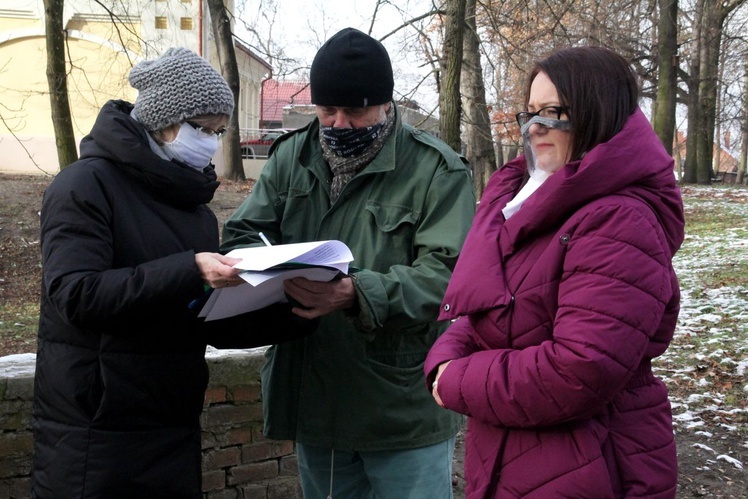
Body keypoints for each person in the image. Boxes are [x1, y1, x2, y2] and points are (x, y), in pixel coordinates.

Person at [31, 47, 315, 498]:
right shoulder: (84, 185)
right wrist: (189, 269)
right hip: (96, 428)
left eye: (220, 133)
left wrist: (296, 309)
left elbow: (202, 316)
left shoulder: (192, 206)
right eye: (203, 130)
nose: (211, 143)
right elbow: (75, 295)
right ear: (164, 121)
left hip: (172, 421)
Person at [221, 28, 476, 499]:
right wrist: (261, 267)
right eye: (326, 111)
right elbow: (242, 233)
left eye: (355, 111)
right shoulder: (291, 156)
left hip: (400, 404)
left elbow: (451, 275)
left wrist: (358, 292)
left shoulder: (436, 170)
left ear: (385, 104)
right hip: (314, 395)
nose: (339, 124)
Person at [425, 46, 684, 498]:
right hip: (519, 454)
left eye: (554, 111)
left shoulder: (617, 220)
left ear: (595, 114)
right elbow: (486, 308)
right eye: (531, 112)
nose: (535, 126)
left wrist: (457, 381)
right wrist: (442, 364)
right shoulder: (537, 204)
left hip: (591, 463)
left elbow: (579, 370)